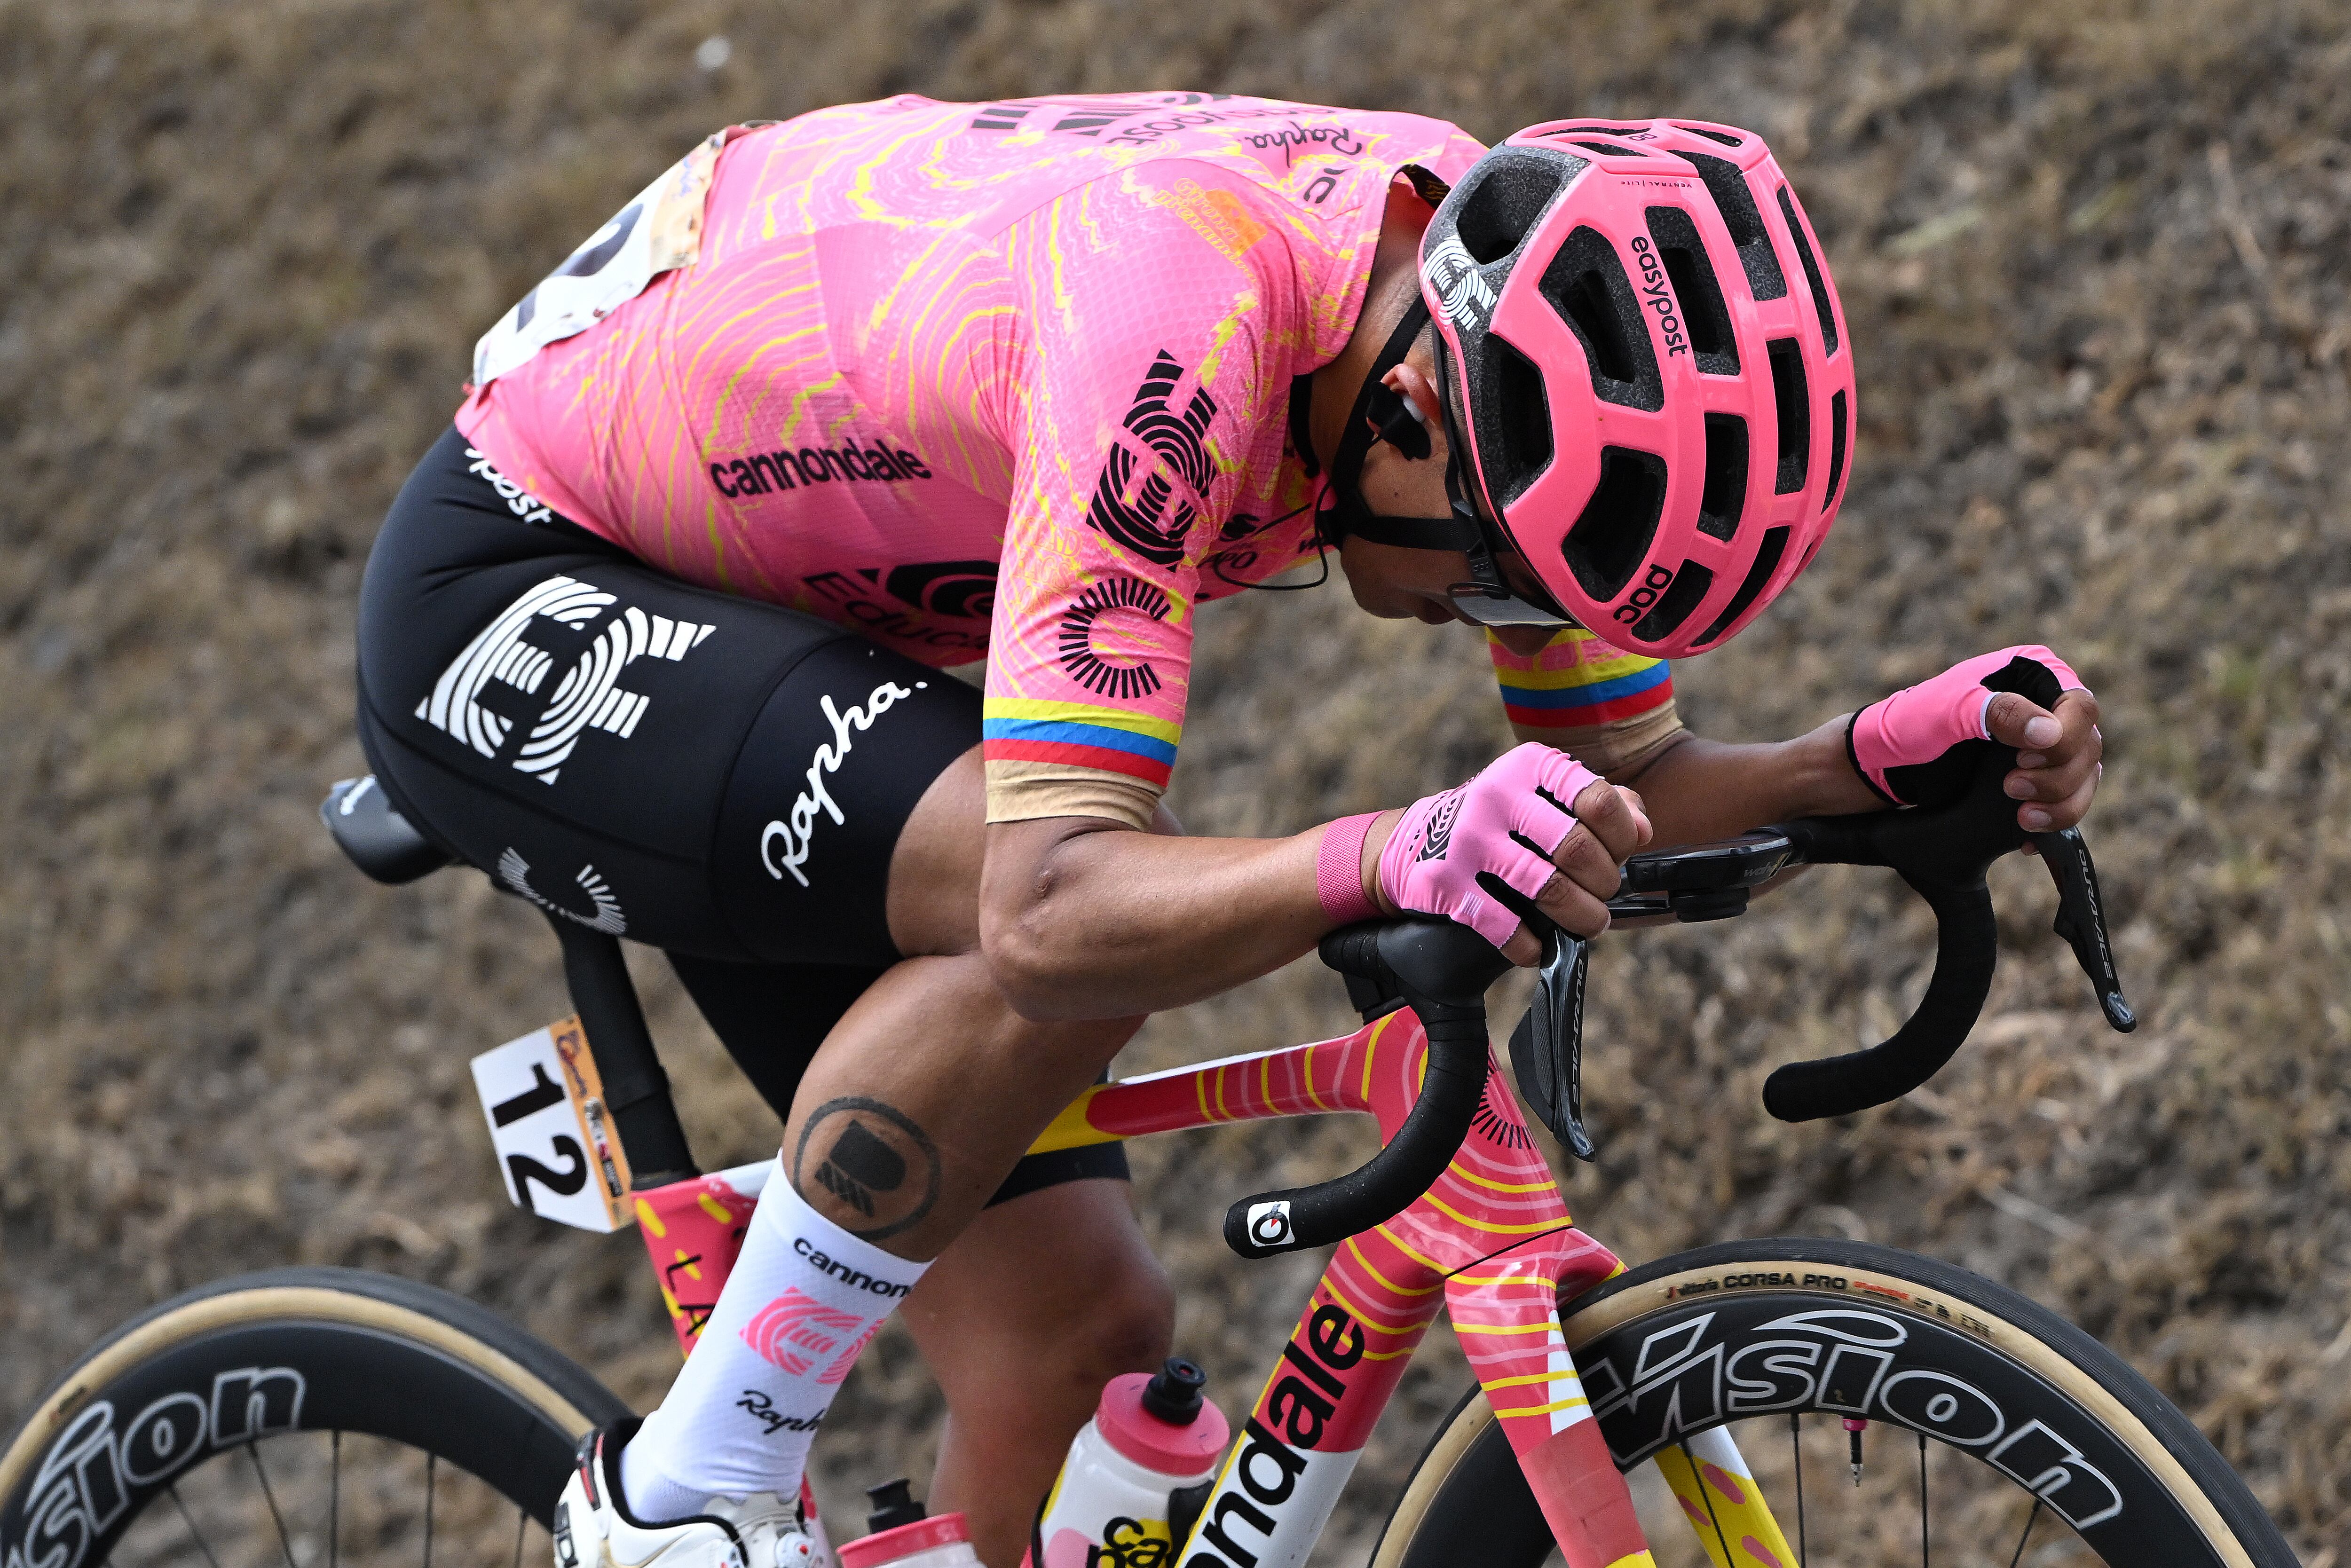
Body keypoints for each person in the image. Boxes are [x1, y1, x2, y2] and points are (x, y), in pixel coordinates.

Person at [351, 94, 2101, 1568]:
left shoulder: (1483, 316)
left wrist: (1861, 765)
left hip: (832, 611)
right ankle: (675, 1501)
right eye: (1495, 575)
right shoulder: (1174, 337)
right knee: (1090, 917)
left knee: (1075, 1344)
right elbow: (1048, 911)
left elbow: (1627, 781)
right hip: (537, 568)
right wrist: (1397, 851)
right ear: (1417, 414)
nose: (1494, 620)